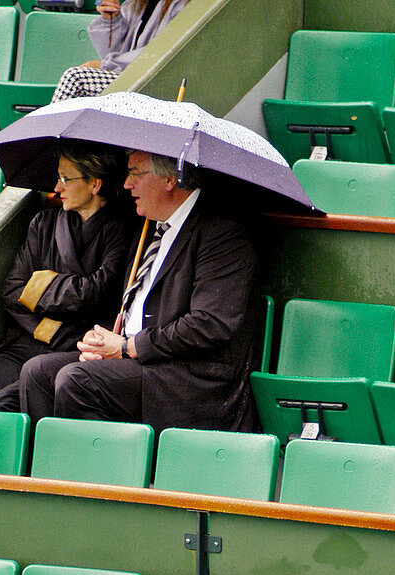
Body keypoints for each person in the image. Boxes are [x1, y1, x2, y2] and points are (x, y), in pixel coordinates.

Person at [19, 149, 262, 435]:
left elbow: (209, 324)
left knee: (78, 380)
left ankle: (101, 478)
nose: (125, 184)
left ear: (171, 178)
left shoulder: (221, 233)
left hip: (185, 375)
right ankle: (49, 476)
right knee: (37, 374)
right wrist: (104, 340)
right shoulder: (149, 229)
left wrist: (126, 347)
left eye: (134, 173)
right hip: (138, 360)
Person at [0, 141, 129, 412]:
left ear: (95, 184)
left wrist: (39, 285)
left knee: (1, 407)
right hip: (26, 341)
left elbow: (97, 293)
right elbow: (12, 292)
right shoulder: (43, 224)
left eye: (66, 179)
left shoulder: (122, 232)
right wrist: (64, 306)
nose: (57, 188)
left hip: (74, 349)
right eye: (58, 177)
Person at [51, 0, 189, 102]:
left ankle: (40, 137)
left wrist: (105, 65)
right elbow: (112, 53)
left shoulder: (184, 5)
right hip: (127, 78)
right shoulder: (135, 5)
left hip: (156, 83)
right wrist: (111, 20)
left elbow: (163, 52)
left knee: (76, 78)